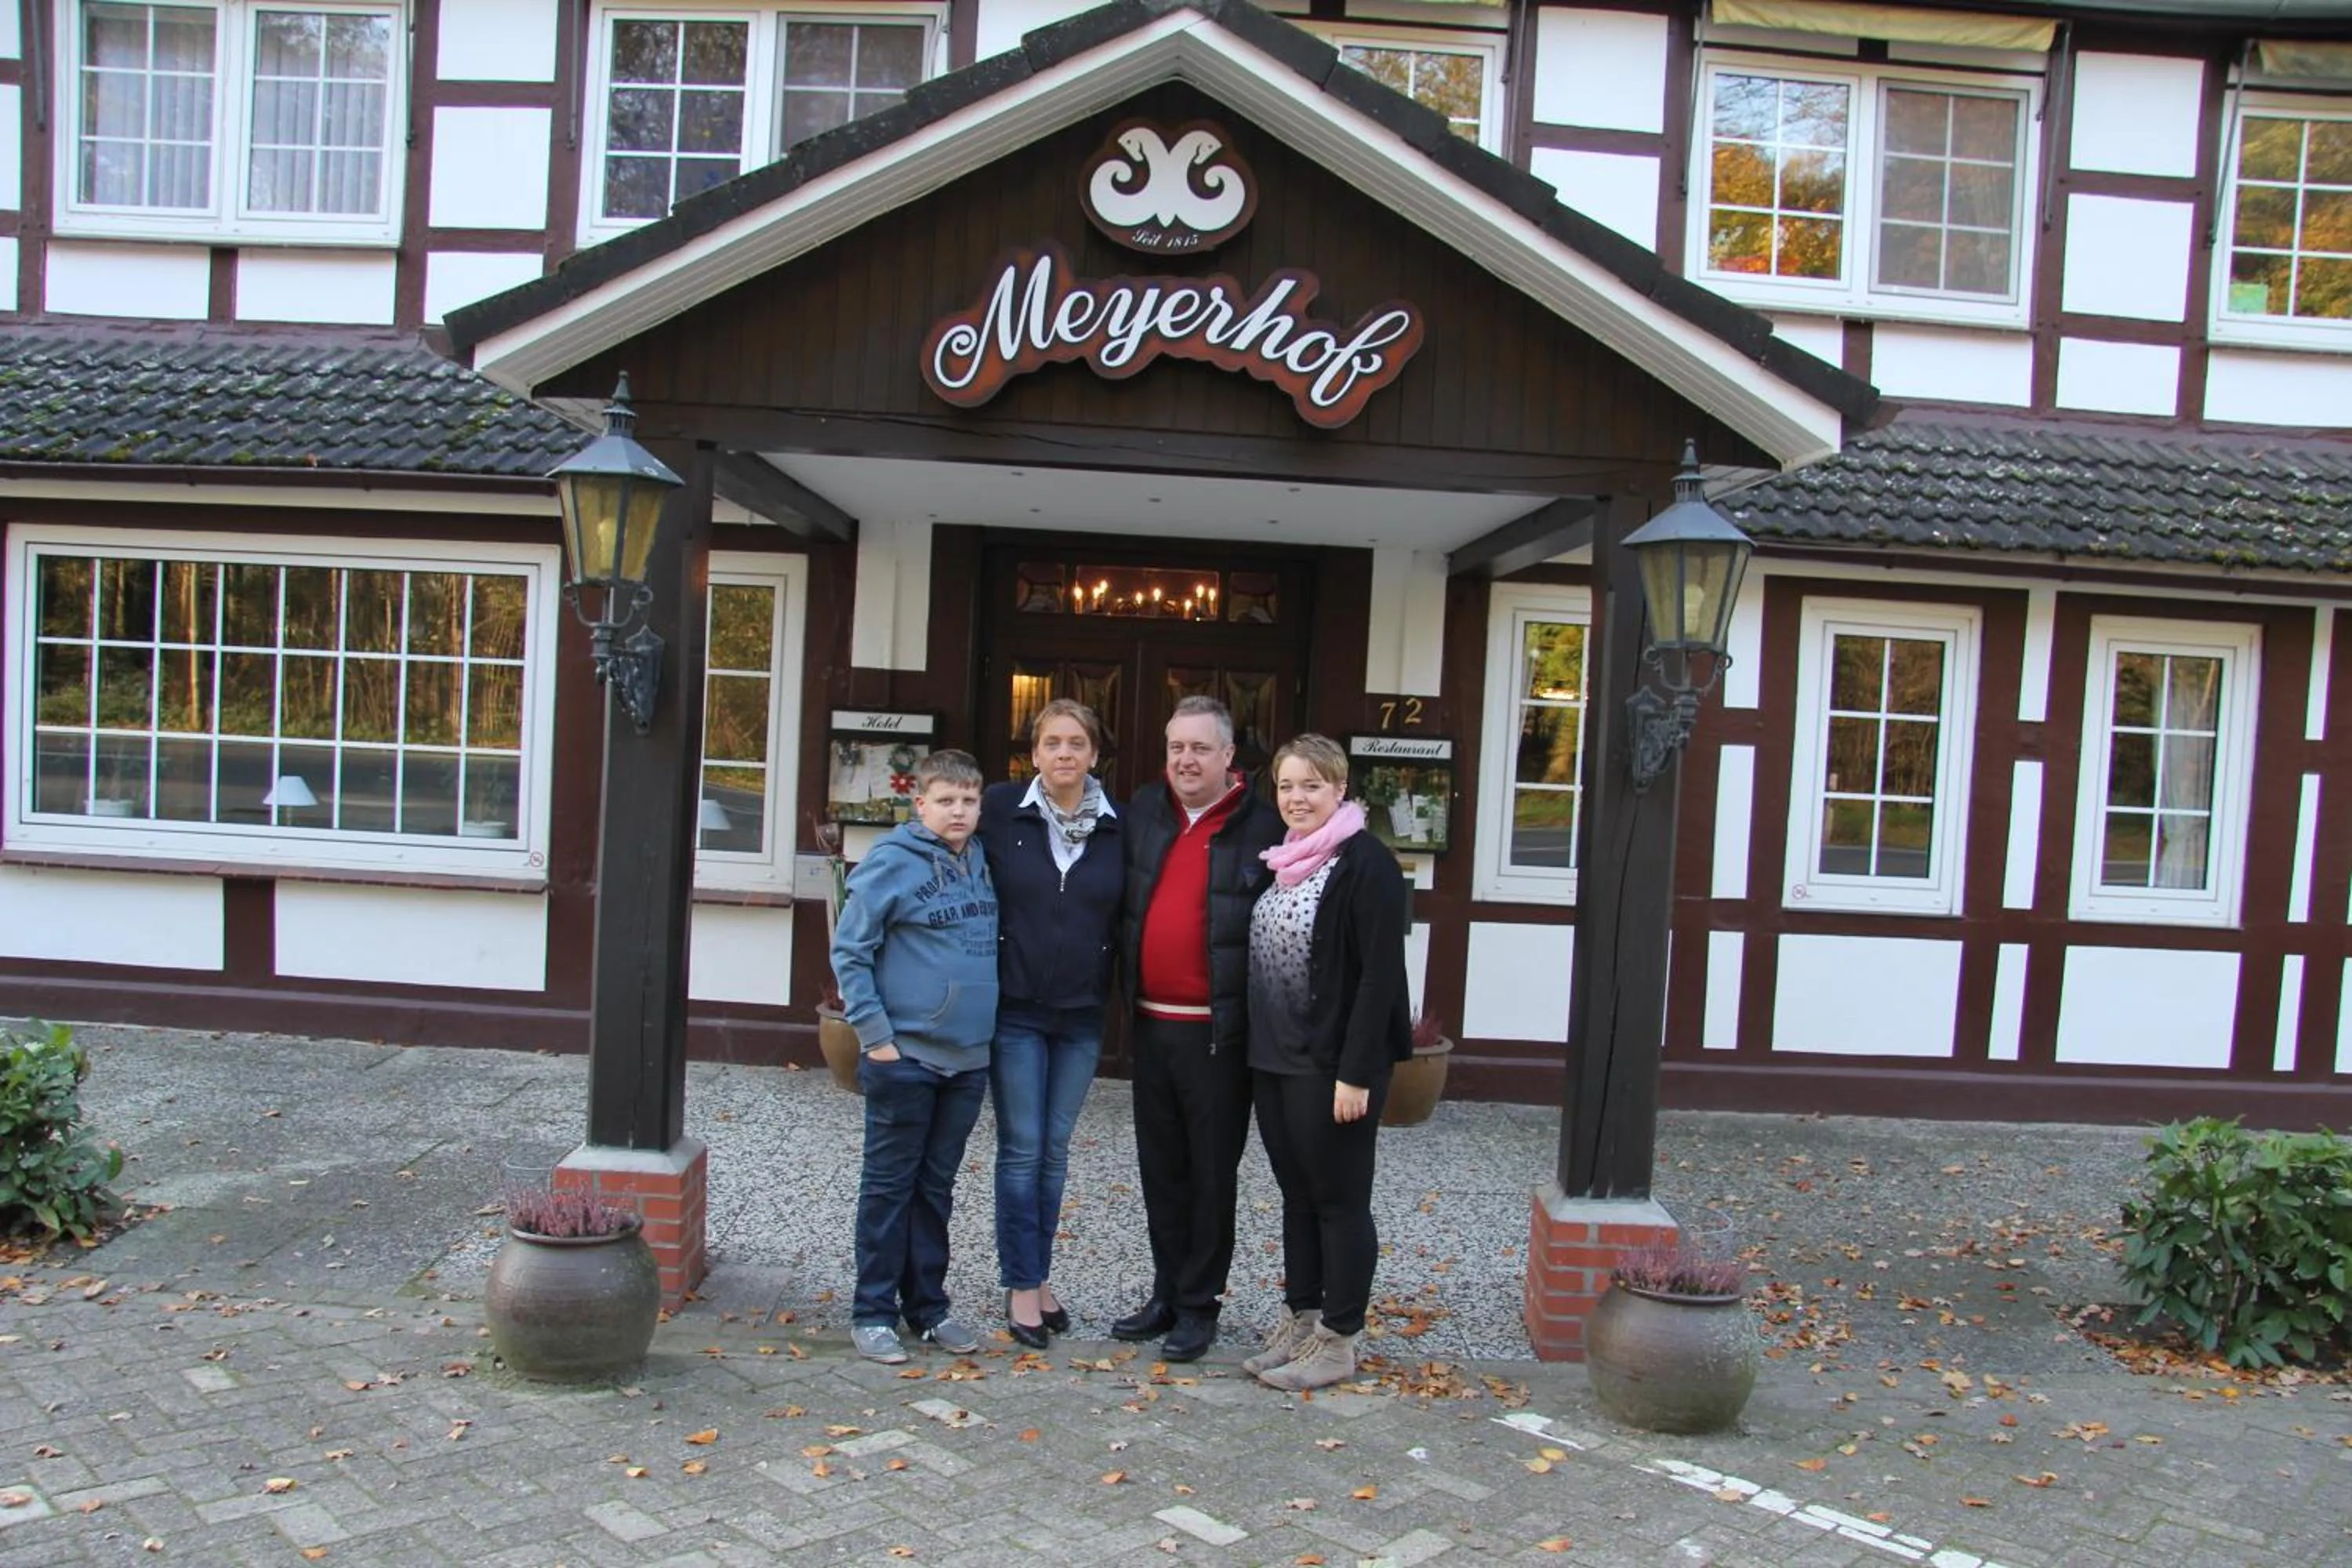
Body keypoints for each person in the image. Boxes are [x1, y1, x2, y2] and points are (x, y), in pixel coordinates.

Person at [1113, 694, 1284, 1361]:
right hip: (1152, 1027)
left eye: (1200, 748)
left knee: (1211, 1175)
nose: (1186, 760)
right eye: (1177, 747)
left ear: (1228, 756)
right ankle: (1165, 1291)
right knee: (1161, 1171)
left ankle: (1198, 1304)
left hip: (1219, 1037)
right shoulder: (1142, 814)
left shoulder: (1264, 827)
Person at [1239, 732, 1410, 1392]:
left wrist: (1356, 1072)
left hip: (1332, 1066)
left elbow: (1378, 979)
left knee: (1339, 1201)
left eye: (1312, 784)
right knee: (1297, 1198)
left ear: (1340, 789)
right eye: (1286, 785)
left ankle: (1340, 1338)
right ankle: (1303, 1319)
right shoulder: (1285, 862)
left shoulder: (1366, 864)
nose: (1297, 797)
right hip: (1276, 1062)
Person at [830, 749, 999, 1365]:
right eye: (946, 800)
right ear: (919, 803)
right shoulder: (890, 865)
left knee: (936, 1190)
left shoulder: (980, 859)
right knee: (888, 1188)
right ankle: (872, 1311)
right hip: (906, 1058)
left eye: (969, 800)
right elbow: (850, 950)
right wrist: (877, 1039)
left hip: (967, 1062)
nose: (959, 811)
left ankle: (928, 1308)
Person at [976, 699, 1124, 1348]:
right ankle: (1021, 1283)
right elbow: (935, 840)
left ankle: (1037, 1277)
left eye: (1077, 743)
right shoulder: (999, 811)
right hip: (1016, 1012)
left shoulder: (1122, 827)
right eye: (1052, 742)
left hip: (1081, 1016)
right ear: (1033, 753)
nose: (1065, 753)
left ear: (1094, 753)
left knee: (1055, 1153)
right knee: (1022, 1148)